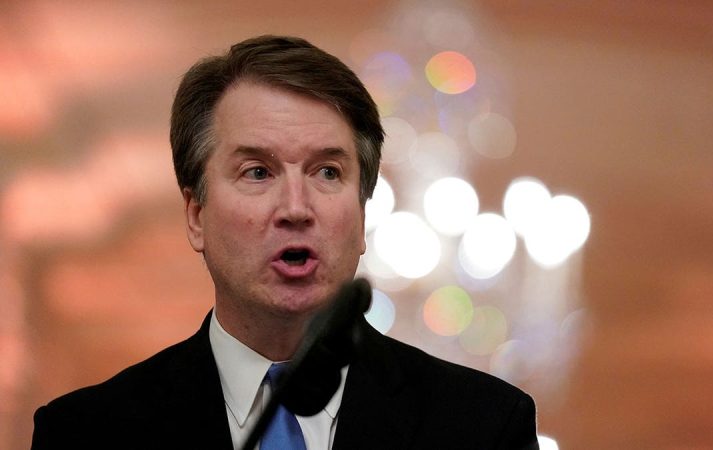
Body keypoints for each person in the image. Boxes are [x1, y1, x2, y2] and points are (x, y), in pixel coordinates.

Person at [31, 35, 539, 450]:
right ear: (196, 215)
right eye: (257, 171)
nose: (296, 208)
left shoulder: (483, 427)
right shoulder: (86, 435)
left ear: (362, 215)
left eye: (327, 172)